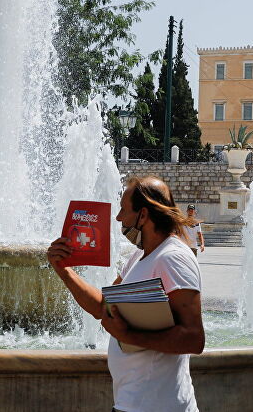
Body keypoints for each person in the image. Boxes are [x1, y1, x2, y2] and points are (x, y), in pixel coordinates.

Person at [47, 176, 204, 411]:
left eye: (123, 209)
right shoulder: (139, 257)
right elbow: (103, 306)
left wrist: (129, 335)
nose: (119, 217)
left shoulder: (173, 258)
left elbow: (194, 338)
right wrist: (63, 269)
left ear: (143, 215)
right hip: (133, 403)